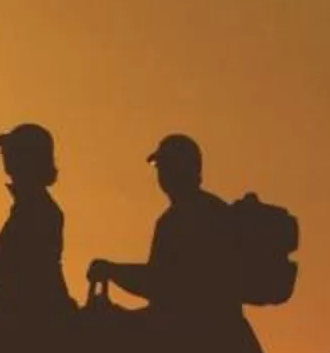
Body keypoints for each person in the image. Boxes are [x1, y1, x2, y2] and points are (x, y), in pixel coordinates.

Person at [88, 132, 241, 318]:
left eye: (165, 166)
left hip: (195, 331)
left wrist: (111, 271)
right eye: (159, 166)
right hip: (214, 326)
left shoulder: (180, 219)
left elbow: (159, 283)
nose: (161, 173)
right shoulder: (213, 208)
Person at [0, 123, 69, 325]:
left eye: (12, 150)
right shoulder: (28, 207)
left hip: (28, 322)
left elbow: (29, 278)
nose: (5, 155)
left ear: (27, 160)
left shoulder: (39, 211)